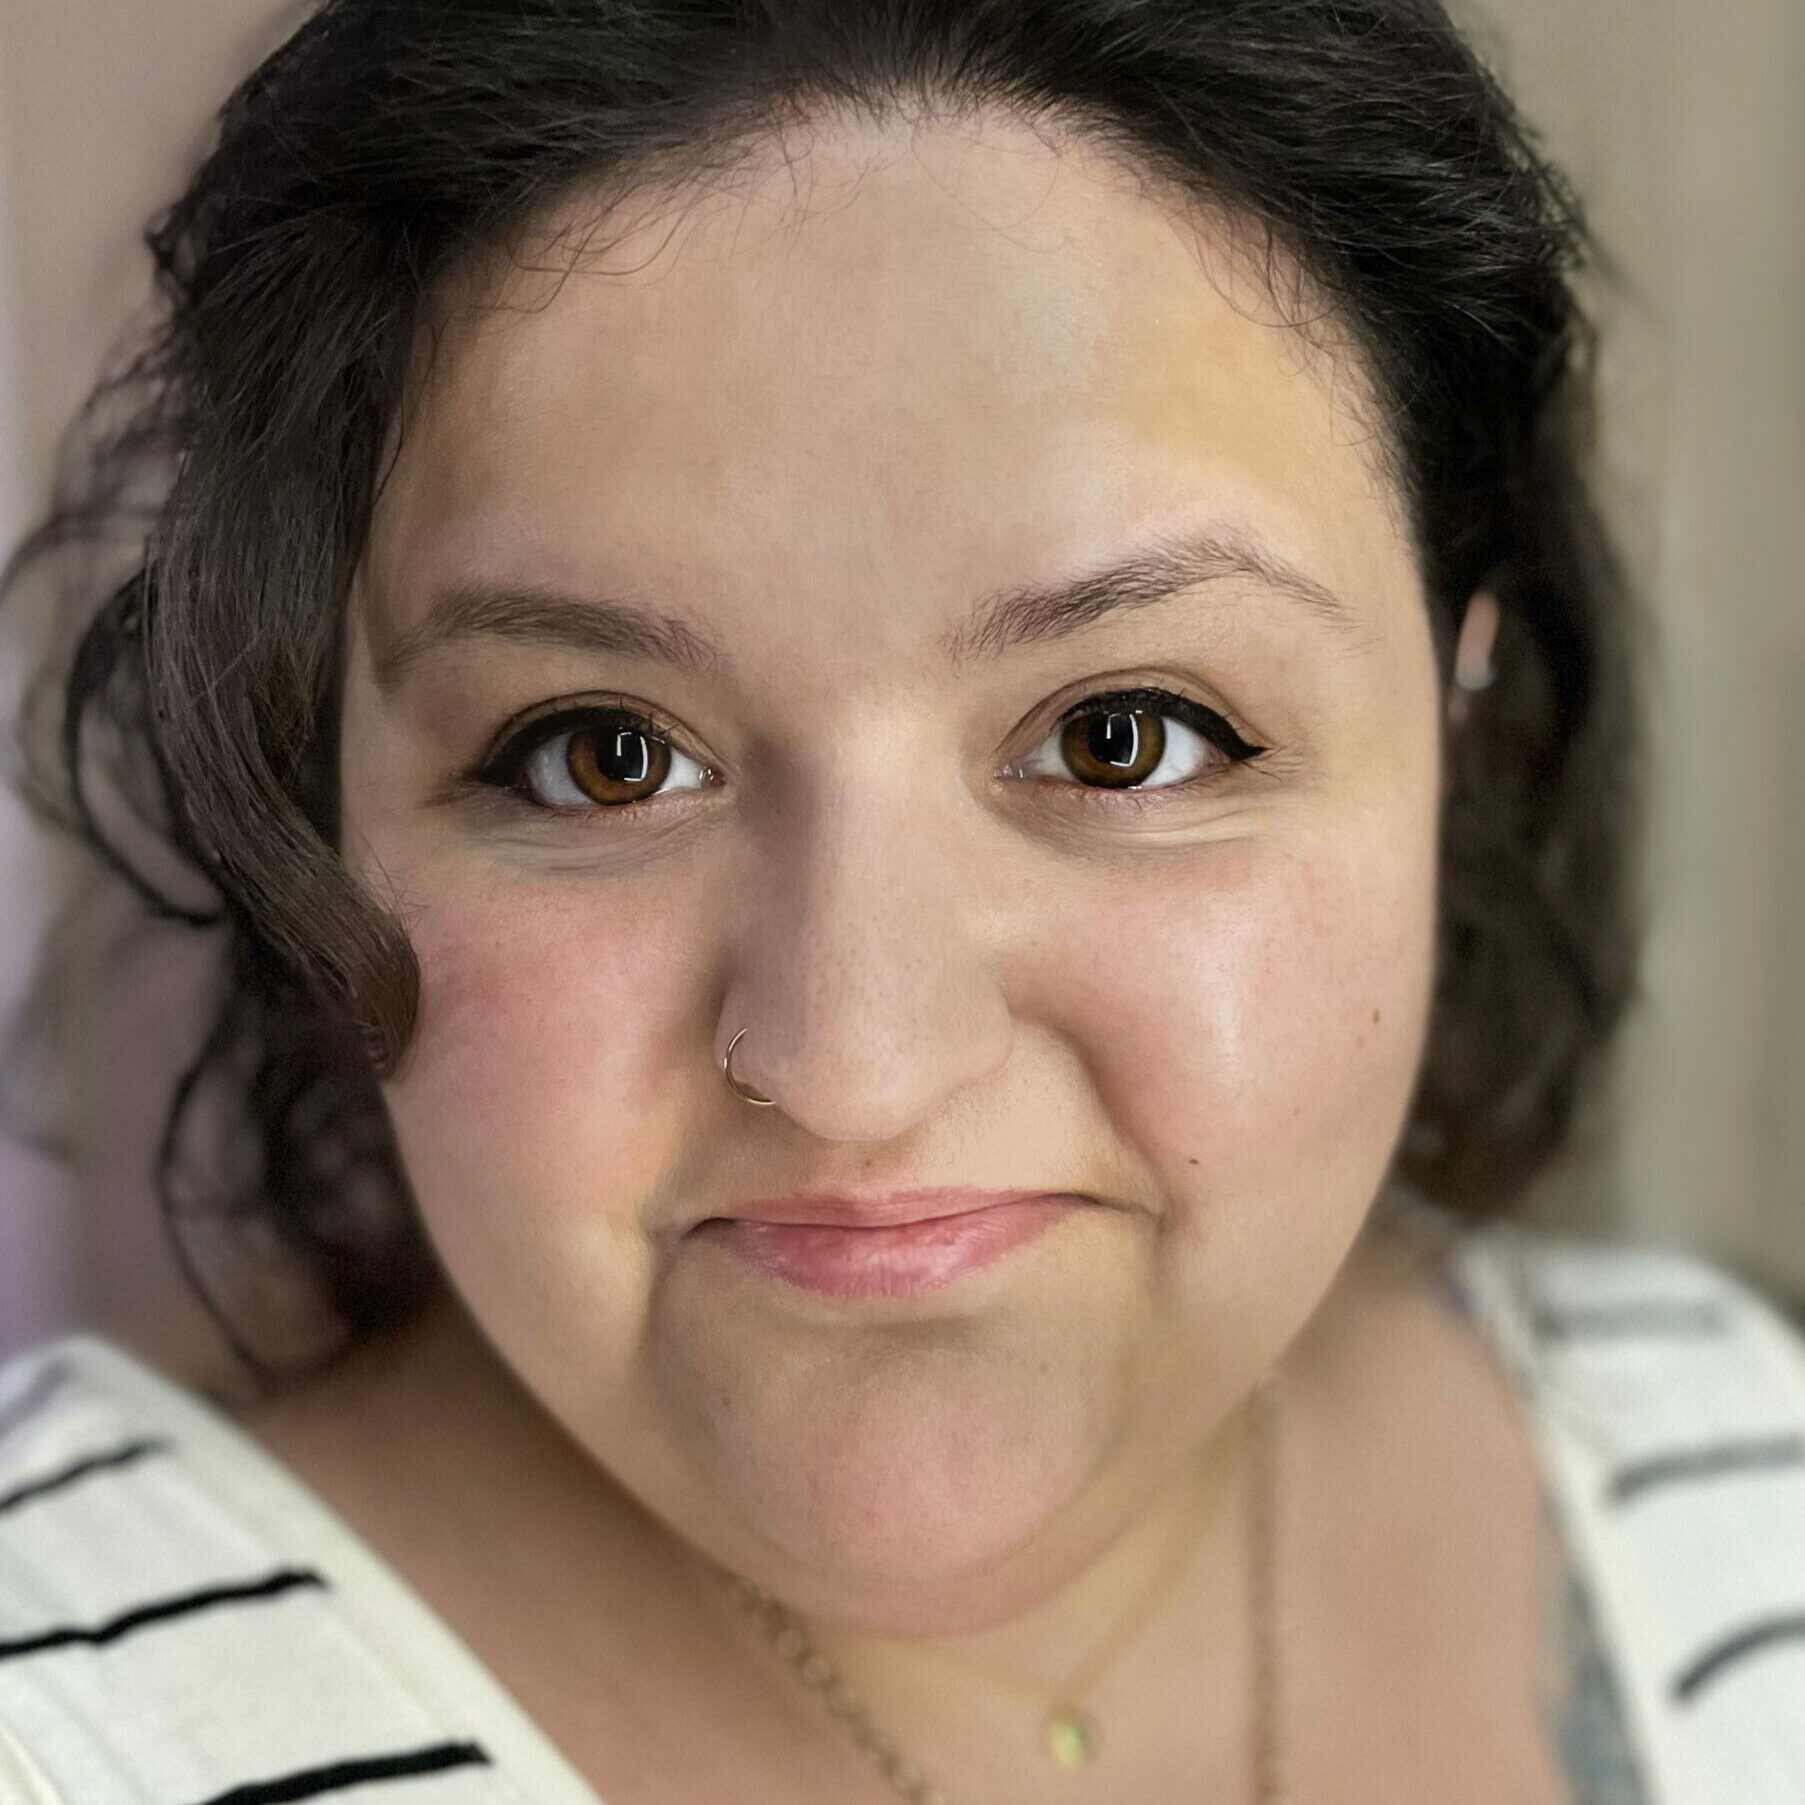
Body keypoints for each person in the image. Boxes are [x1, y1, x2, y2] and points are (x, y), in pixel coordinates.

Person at [1, 1, 1802, 1801]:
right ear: (319, 804)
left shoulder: (1740, 1469)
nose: (854, 1066)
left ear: (1461, 715)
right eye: (602, 758)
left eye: (1121, 737)